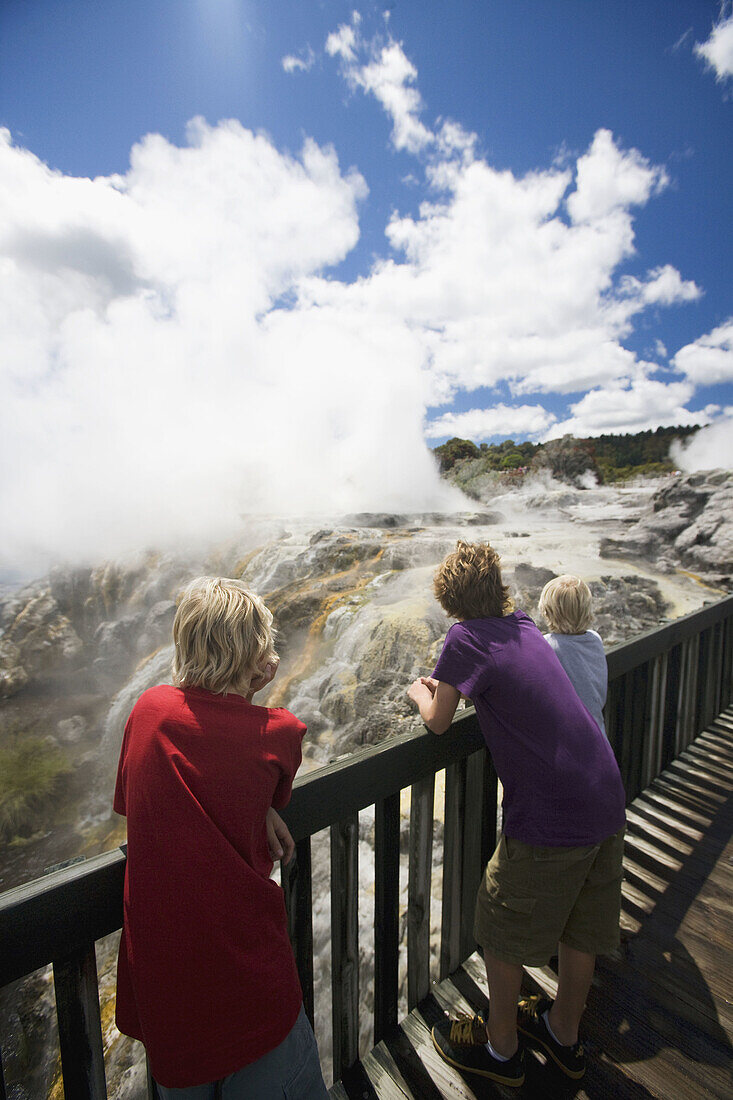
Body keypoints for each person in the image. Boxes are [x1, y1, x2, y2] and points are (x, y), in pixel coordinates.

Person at [407, 542, 626, 1087]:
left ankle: (501, 1050)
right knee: (581, 928)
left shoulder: (464, 636)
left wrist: (420, 693)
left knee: (499, 924)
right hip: (604, 794)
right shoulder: (524, 625)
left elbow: (438, 721)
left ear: (450, 597)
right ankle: (562, 1032)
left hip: (551, 814)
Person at [114, 576, 329, 1099]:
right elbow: (252, 766)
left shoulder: (148, 713)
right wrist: (262, 813)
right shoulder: (279, 734)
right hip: (249, 983)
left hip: (167, 992)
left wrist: (253, 813)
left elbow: (136, 802)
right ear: (258, 658)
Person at [539, 574, 608, 737]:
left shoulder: (546, 646)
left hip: (567, 741)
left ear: (547, 612)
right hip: (599, 738)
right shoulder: (595, 640)